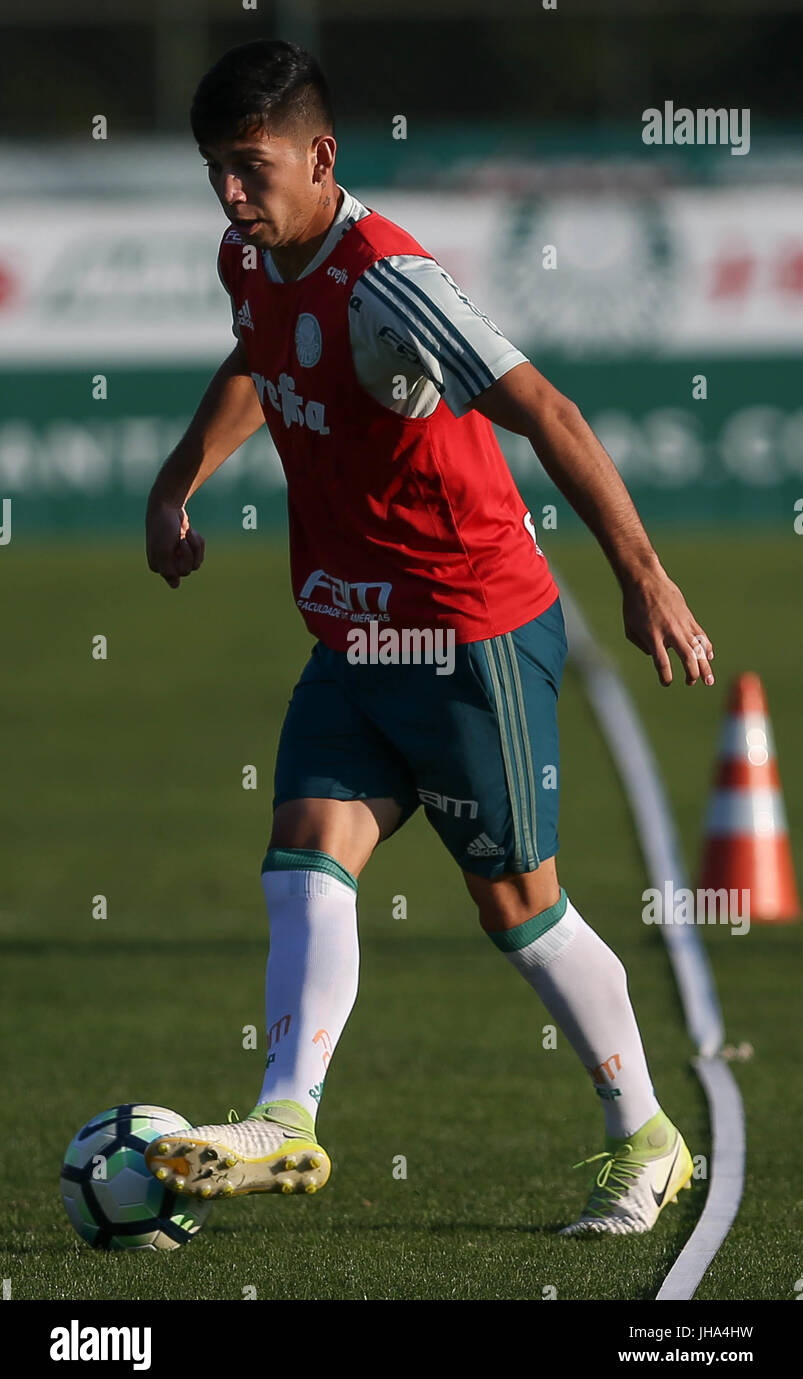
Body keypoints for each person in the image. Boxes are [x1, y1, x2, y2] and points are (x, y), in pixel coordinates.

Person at [144, 39, 713, 1235]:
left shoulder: (390, 283)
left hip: (469, 632)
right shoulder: (248, 258)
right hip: (352, 636)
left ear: (320, 155)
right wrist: (176, 479)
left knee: (516, 906)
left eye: (250, 169)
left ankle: (648, 1139)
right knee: (303, 851)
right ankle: (283, 1119)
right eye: (214, 172)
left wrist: (643, 575)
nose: (231, 196)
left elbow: (543, 406)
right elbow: (258, 356)